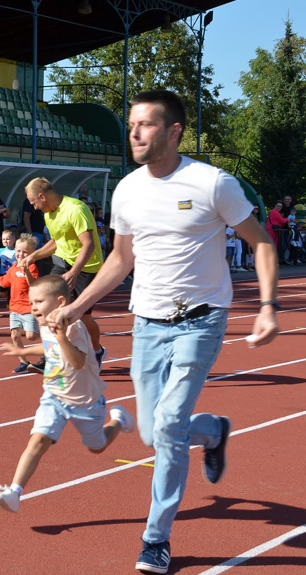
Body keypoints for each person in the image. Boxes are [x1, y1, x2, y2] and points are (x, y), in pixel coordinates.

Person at [51, 89, 279, 574]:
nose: (134, 133)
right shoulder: (128, 189)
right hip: (147, 324)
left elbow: (261, 243)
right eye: (131, 124)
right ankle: (214, 431)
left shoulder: (213, 184)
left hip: (201, 318)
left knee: (170, 424)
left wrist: (266, 306)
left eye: (145, 125)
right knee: (154, 434)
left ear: (173, 131)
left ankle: (156, 538)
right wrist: (77, 305)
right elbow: (119, 259)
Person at [0, 275, 135, 513]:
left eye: (38, 301)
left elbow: (78, 362)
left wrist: (60, 336)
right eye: (31, 302)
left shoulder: (73, 328)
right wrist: (22, 349)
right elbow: (49, 347)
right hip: (54, 396)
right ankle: (14, 492)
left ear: (59, 302)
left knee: (97, 446)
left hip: (85, 401)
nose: (33, 306)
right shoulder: (47, 324)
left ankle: (118, 420)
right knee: (38, 440)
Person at [22, 177, 106, 375]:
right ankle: (50, 356)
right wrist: (34, 256)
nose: (34, 208)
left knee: (83, 318)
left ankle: (97, 350)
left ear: (42, 196)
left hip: (87, 267)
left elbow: (89, 244)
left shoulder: (76, 209)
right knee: (48, 306)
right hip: (62, 262)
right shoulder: (48, 214)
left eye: (34, 203)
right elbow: (56, 242)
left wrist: (74, 272)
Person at [0, 233, 41, 373]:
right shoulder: (13, 268)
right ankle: (23, 362)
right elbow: (2, 281)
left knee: (31, 336)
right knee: (15, 335)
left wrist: (26, 271)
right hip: (14, 307)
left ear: (32, 254)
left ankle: (49, 341)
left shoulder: (32, 267)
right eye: (18, 251)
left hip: (28, 307)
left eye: (25, 252)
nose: (20, 254)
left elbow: (33, 284)